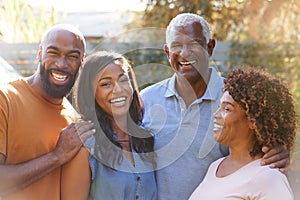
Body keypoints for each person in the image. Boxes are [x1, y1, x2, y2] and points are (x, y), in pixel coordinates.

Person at [140, 13, 290, 200]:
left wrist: (279, 152)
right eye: (177, 46)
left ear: (210, 47)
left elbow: (260, 152)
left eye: (194, 43)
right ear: (167, 52)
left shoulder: (236, 101)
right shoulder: (146, 100)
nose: (185, 53)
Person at [0, 24, 95, 200]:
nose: (61, 63)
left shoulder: (73, 118)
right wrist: (56, 156)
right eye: (53, 53)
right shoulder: (5, 99)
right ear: (39, 53)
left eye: (72, 56)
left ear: (82, 62)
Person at [189, 67, 296, 199]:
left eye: (227, 109)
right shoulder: (216, 167)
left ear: (253, 120)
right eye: (219, 107)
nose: (216, 115)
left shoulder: (268, 178)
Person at [65, 51, 157, 199]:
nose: (118, 90)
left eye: (123, 80)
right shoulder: (85, 146)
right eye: (106, 84)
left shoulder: (146, 140)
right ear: (91, 93)